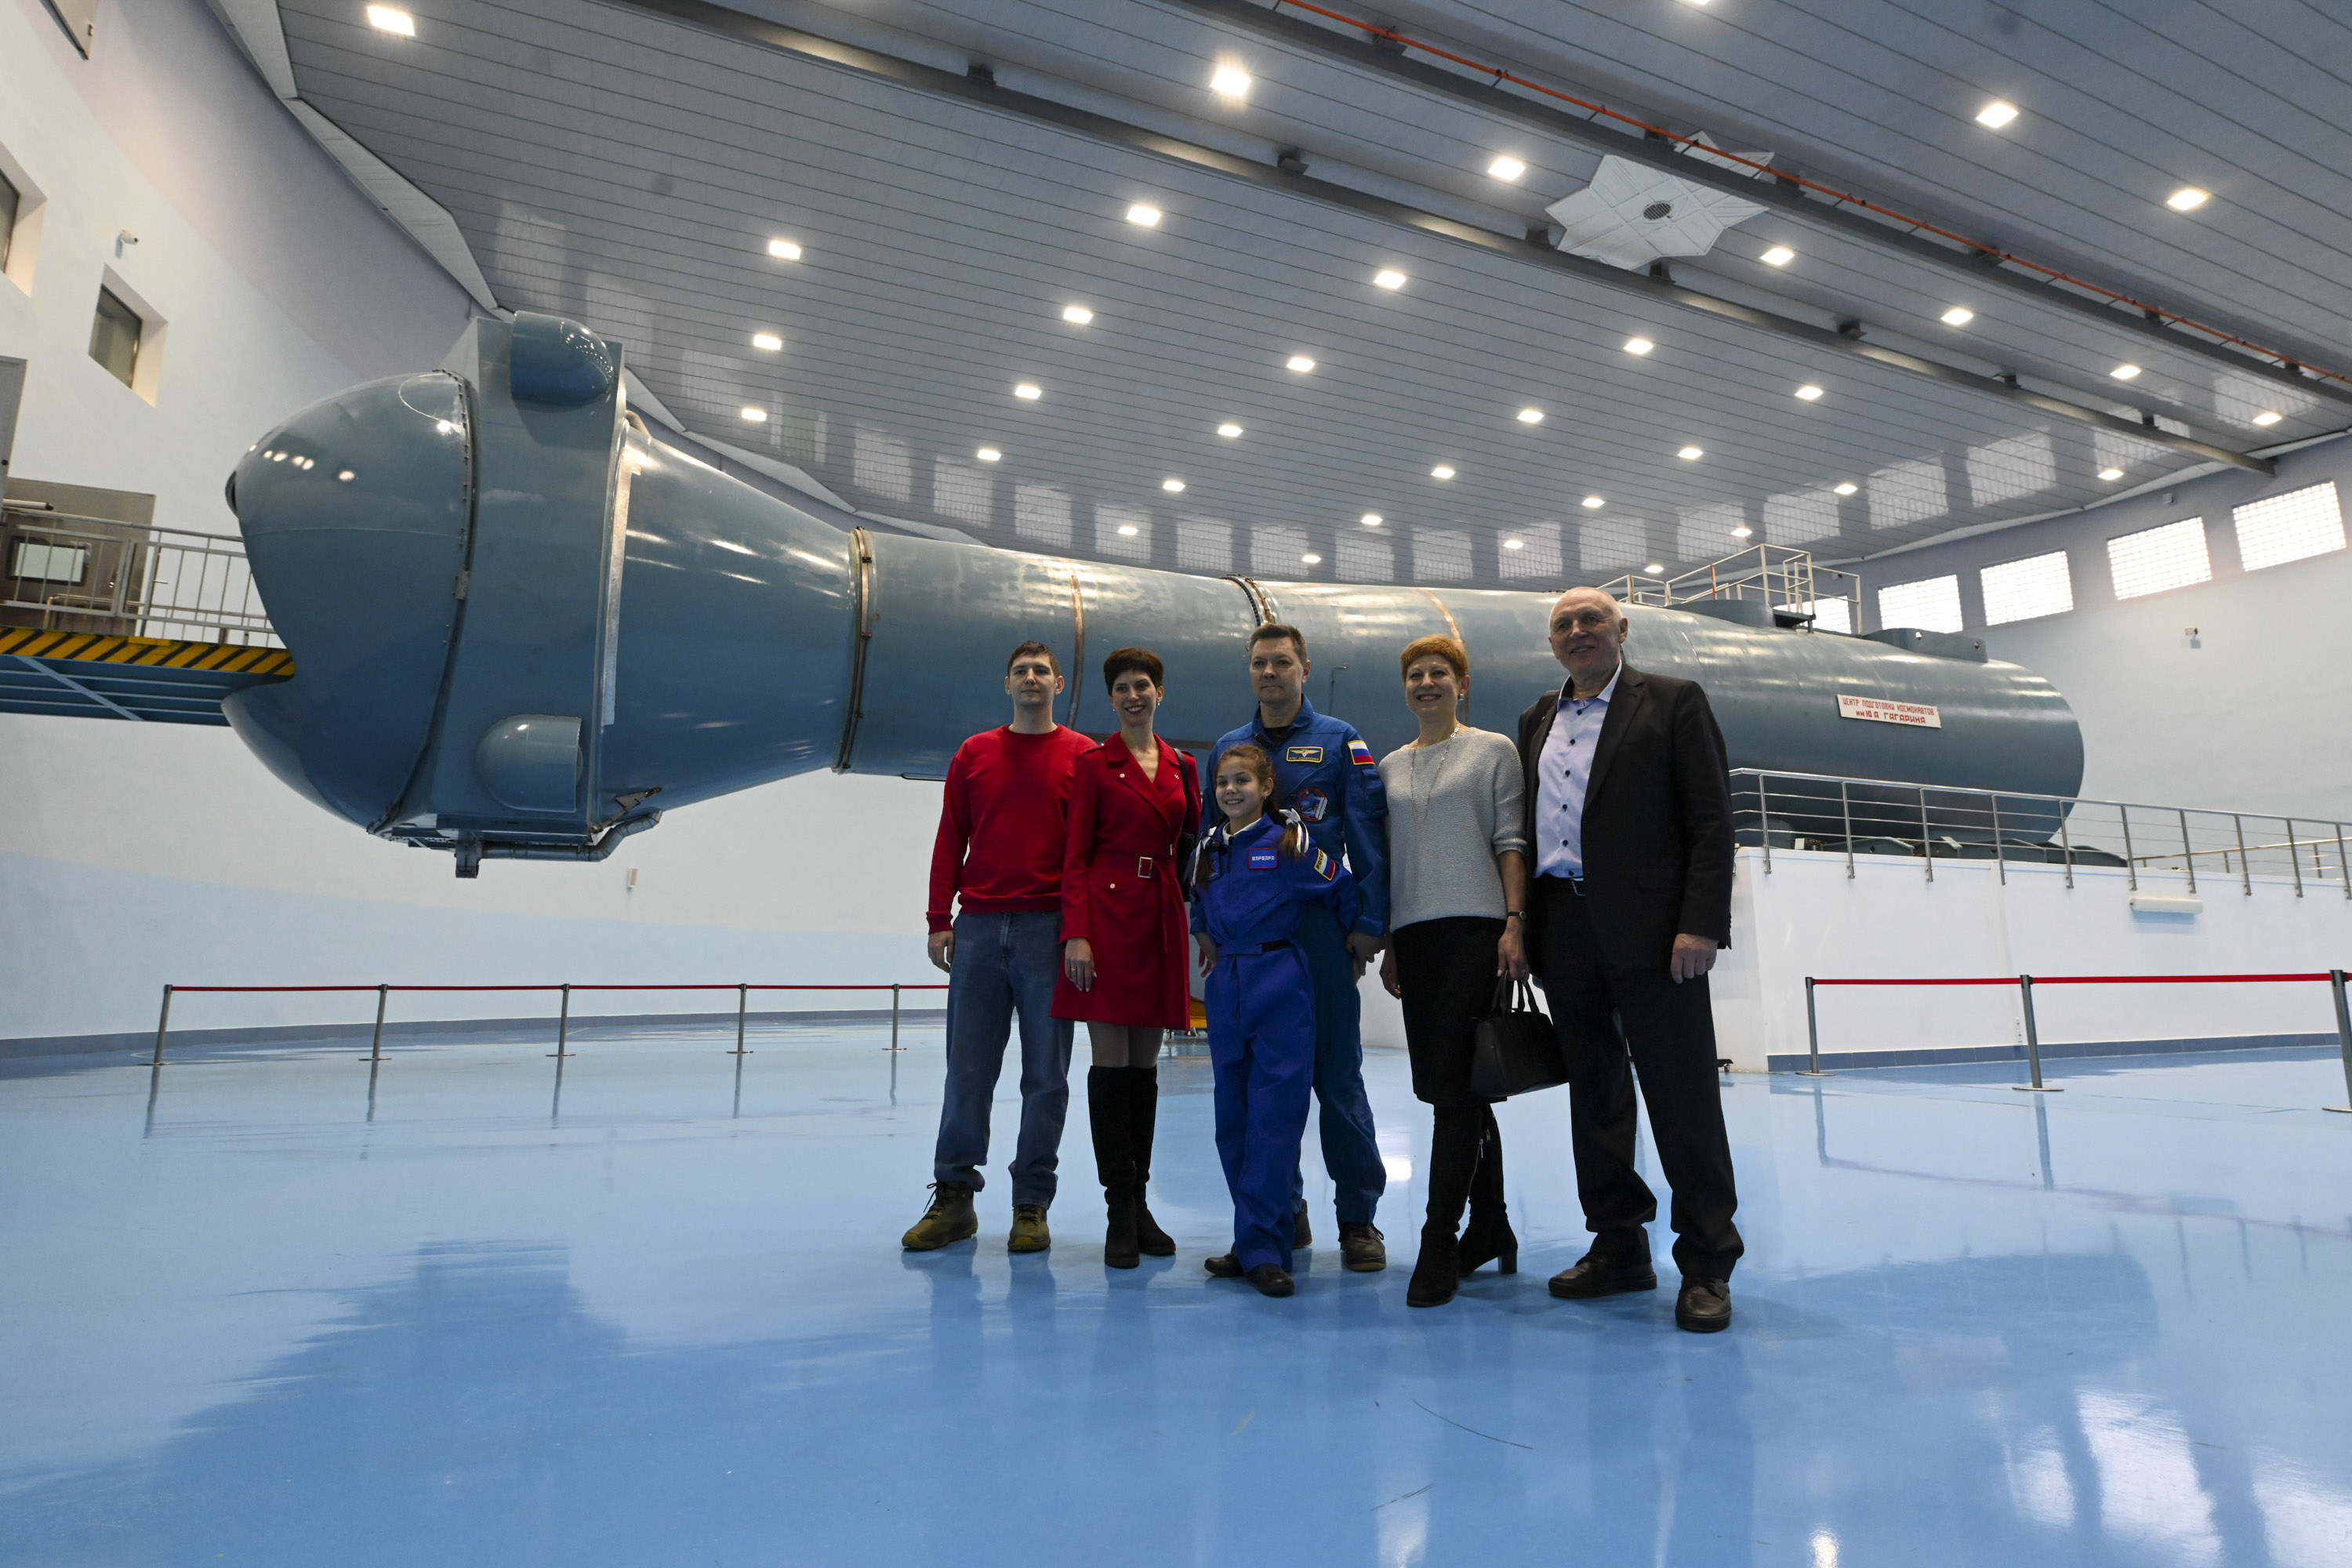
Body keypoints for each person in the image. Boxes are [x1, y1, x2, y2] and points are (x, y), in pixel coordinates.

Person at [1516, 587, 1741, 1333]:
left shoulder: (1673, 701)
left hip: (1656, 933)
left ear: (1621, 629)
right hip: (1564, 926)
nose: (1577, 631)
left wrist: (1700, 924)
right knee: (1596, 1096)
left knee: (1682, 1096)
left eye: (1591, 620)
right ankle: (1618, 1246)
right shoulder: (1537, 719)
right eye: (1564, 624)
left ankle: (1707, 1261)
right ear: (1553, 642)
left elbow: (1710, 822)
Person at [902, 641, 1098, 1255]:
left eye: (1042, 671)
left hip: (1049, 932)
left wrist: (1081, 929)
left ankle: (1031, 1205)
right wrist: (939, 918)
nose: (1031, 678)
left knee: (1046, 1076)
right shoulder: (974, 753)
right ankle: (954, 1197)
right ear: (1006, 684)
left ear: (1058, 684)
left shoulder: (1084, 756)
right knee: (968, 1071)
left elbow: (1089, 853)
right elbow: (950, 837)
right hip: (980, 930)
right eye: (1021, 671)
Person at [1204, 623, 1390, 1272]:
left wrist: (1370, 922)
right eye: (1260, 663)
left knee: (1336, 1079)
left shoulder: (1340, 741)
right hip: (1254, 943)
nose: (1270, 673)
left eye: (1282, 662)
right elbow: (1210, 848)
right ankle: (1280, 1214)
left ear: (1305, 668)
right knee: (1260, 1090)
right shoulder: (1229, 749)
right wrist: (1206, 926)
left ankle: (1358, 1219)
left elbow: (1365, 836)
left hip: (1319, 931)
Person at [1375, 635, 1528, 1308]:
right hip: (1417, 937)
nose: (1427, 682)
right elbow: (1393, 861)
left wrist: (1515, 922)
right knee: (1456, 1087)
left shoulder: (1493, 751)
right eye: (1416, 674)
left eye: (1440, 672)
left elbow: (1511, 842)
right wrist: (1393, 942)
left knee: (1454, 1097)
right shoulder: (1389, 766)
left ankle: (1439, 1239)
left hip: (1476, 932)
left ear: (1461, 684)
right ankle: (1492, 1225)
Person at [1191, 744, 1357, 1298]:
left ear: (1266, 789)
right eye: (1223, 782)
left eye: (1243, 780)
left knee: (1274, 1118)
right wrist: (1204, 934)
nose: (1231, 790)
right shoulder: (1209, 850)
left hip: (1279, 981)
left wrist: (1352, 950)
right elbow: (1199, 905)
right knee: (1232, 1121)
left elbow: (1340, 887)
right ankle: (1251, 1237)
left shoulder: (1289, 844)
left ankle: (1265, 1249)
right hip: (1227, 988)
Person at [1054, 648, 1199, 1269]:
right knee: (1110, 1065)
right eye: (1122, 687)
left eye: (1143, 685)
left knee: (1145, 1068)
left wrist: (1199, 925)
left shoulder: (1183, 766)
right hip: (1107, 922)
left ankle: (1140, 1204)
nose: (1134, 695)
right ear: (1111, 699)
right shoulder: (1094, 764)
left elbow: (1191, 849)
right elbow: (1075, 856)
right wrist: (1077, 934)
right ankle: (1118, 1208)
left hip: (1160, 917)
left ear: (1159, 694)